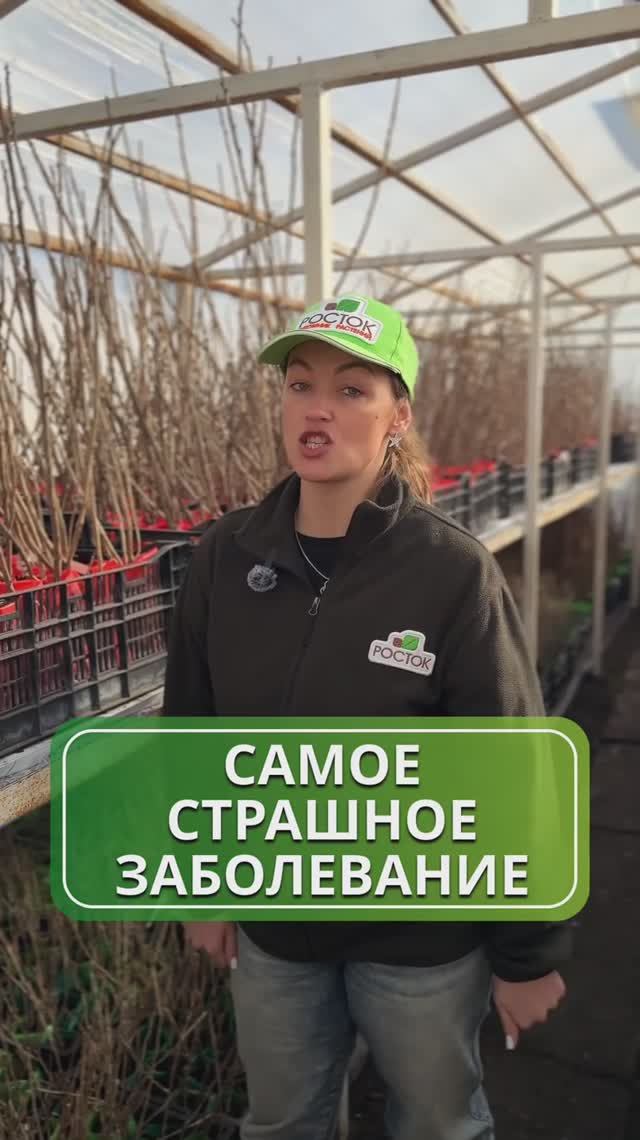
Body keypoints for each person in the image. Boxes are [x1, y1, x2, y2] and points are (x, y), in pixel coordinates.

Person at [162, 294, 569, 1140]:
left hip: (419, 940)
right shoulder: (227, 557)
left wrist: (526, 954)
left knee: (440, 1125)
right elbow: (192, 729)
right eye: (300, 385)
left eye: (351, 390)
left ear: (397, 416)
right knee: (280, 1123)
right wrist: (201, 888)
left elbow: (514, 768)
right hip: (276, 928)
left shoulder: (450, 572)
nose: (317, 407)